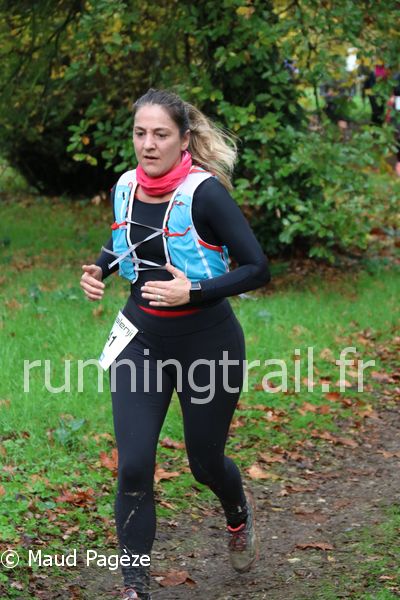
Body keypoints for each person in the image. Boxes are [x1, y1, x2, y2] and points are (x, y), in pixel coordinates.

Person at [80, 88, 270, 600]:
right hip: (140, 339)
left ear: (184, 139)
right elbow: (127, 238)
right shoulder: (125, 186)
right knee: (133, 465)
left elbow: (258, 268)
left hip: (208, 343)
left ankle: (237, 514)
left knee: (204, 464)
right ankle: (134, 587)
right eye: (140, 133)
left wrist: (195, 290)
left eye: (160, 134)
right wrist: (101, 268)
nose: (148, 144)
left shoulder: (205, 195)